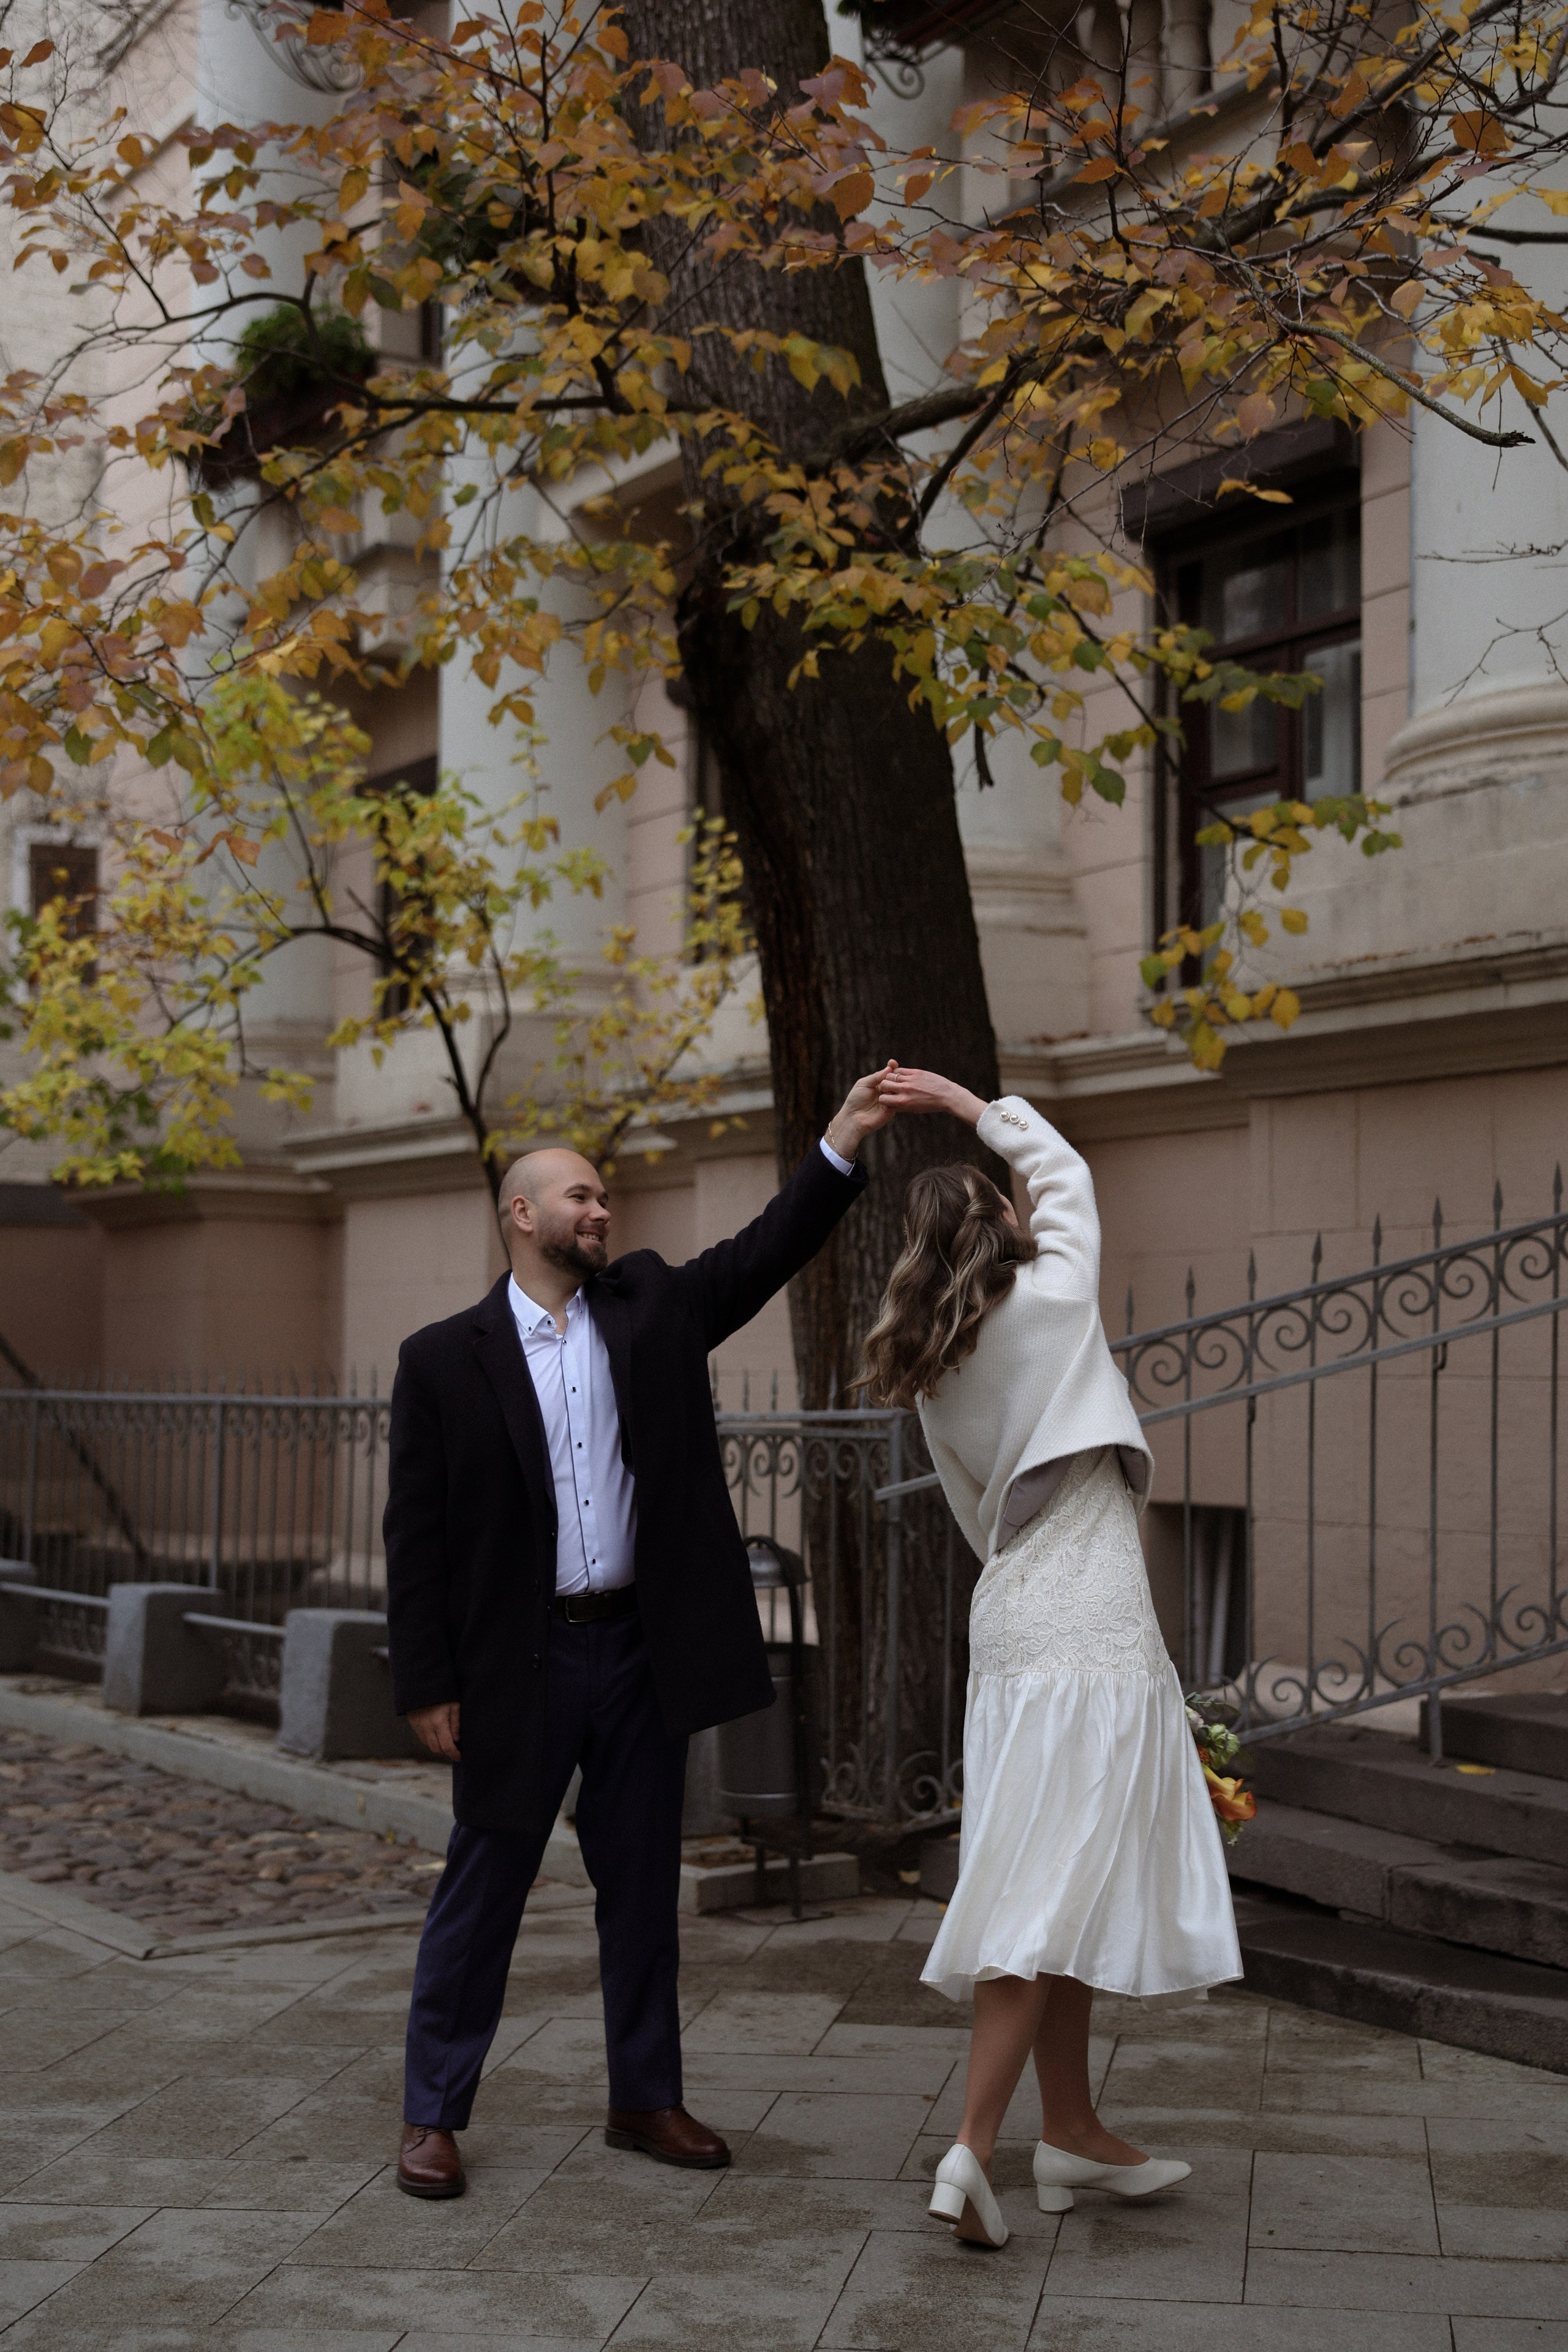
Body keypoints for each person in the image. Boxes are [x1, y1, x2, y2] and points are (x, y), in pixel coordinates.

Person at [385, 1069, 894, 2197]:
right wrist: (426, 1681)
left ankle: (644, 2097)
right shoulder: (443, 1359)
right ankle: (432, 2112)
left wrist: (843, 1139)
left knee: (640, 1889)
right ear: (523, 1213)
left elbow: (765, 1250)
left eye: (604, 1196)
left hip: (636, 1655)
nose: (601, 1210)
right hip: (517, 1665)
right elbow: (414, 1539)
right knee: (484, 1889)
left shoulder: (653, 1306)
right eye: (580, 1196)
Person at [863, 1069, 1242, 2250]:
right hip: (1094, 1622)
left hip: (1014, 1619)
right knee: (1042, 1896)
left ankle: (1071, 2132)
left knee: (1059, 1879)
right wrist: (967, 1103)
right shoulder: (1057, 1299)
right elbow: (1066, 1170)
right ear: (999, 1220)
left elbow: (979, 1516)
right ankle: (972, 2150)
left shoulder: (932, 1367)